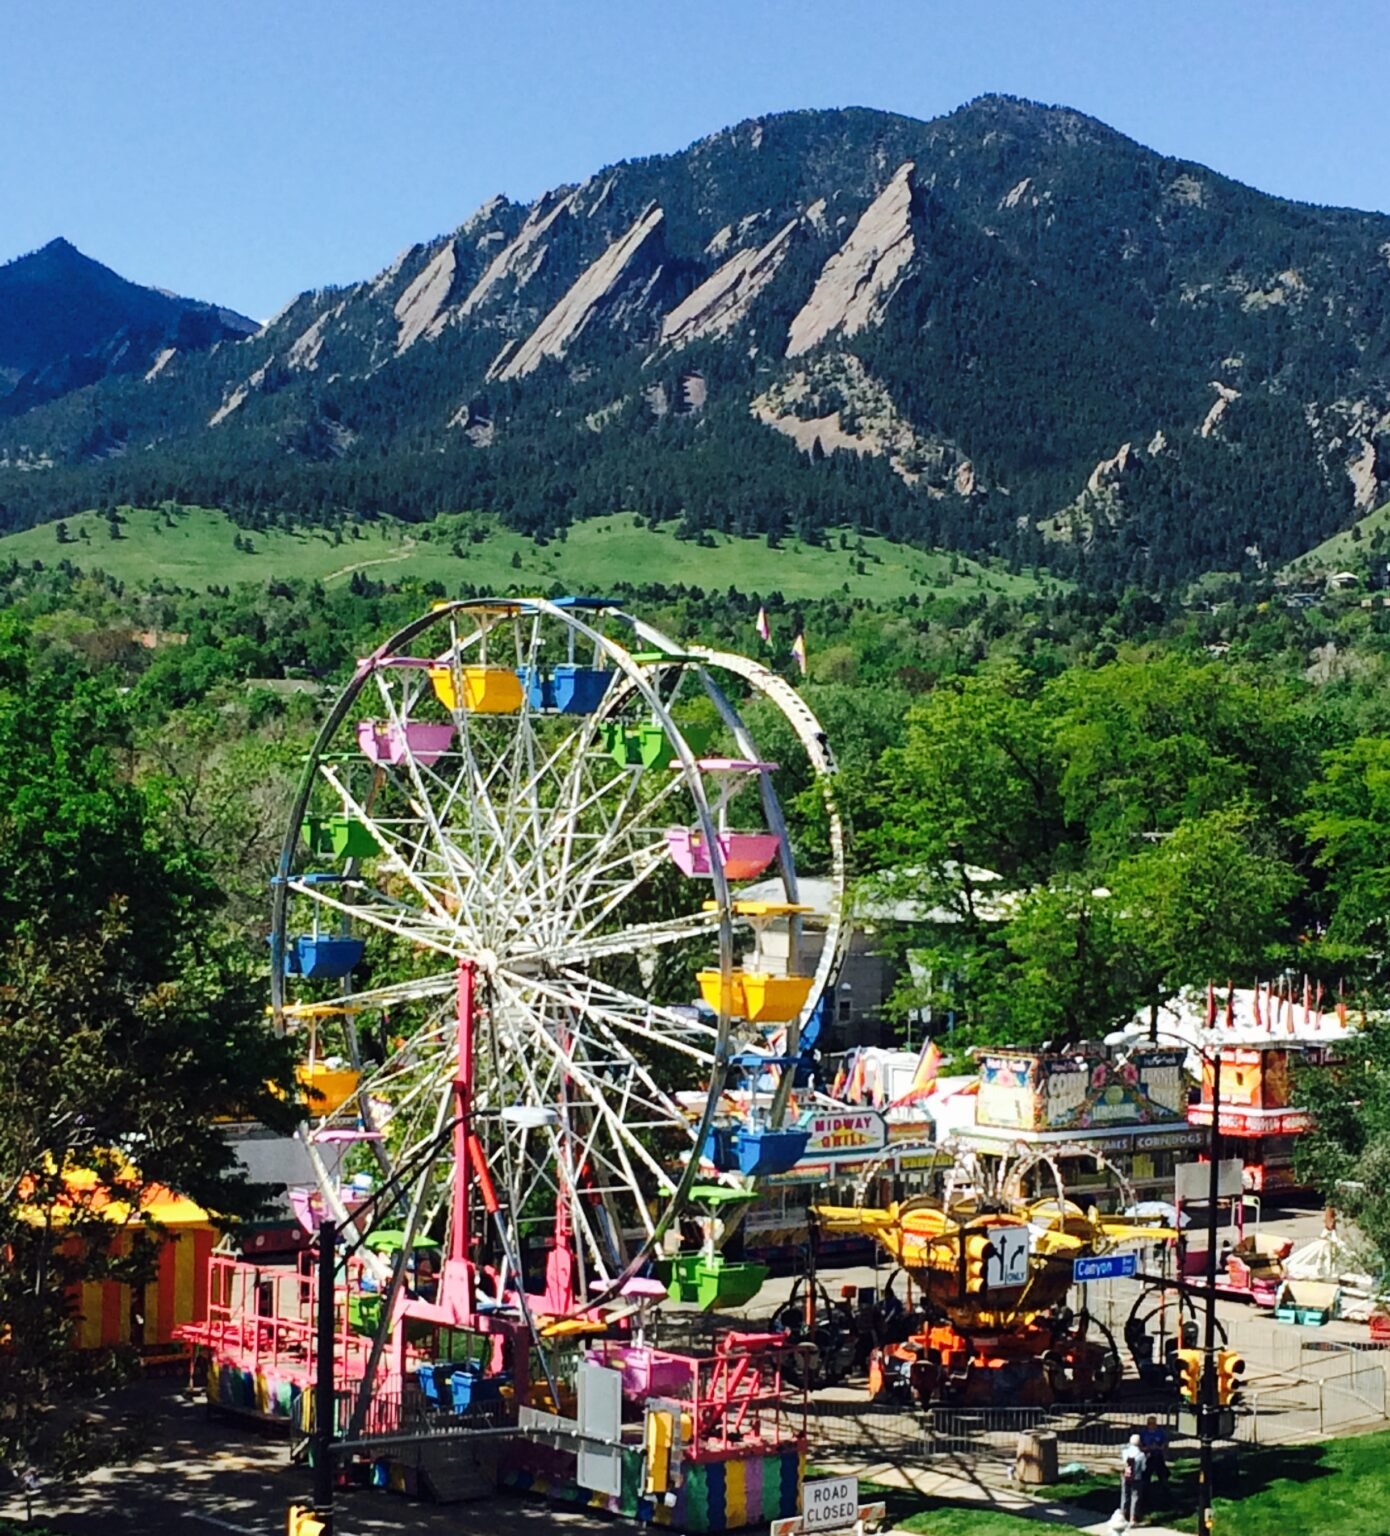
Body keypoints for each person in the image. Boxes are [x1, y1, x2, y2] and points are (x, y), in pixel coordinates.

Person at [1139, 1415, 1170, 1499]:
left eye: (1153, 1423)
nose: (1152, 1425)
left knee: (1162, 1475)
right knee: (1146, 1476)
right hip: (1147, 1457)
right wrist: (1147, 1448)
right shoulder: (1143, 1433)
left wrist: (1158, 1447)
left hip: (1158, 1456)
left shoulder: (1160, 1433)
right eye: (1150, 1423)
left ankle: (1166, 1493)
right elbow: (1140, 1445)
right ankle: (1145, 1494)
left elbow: (1165, 1445)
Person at [1119, 1433, 1146, 1526]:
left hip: (1126, 1476)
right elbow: (1143, 1468)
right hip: (1136, 1477)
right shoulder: (1141, 1455)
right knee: (1135, 1497)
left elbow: (1122, 1462)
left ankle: (1122, 1516)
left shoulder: (1125, 1452)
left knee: (1125, 1495)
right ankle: (1132, 1518)